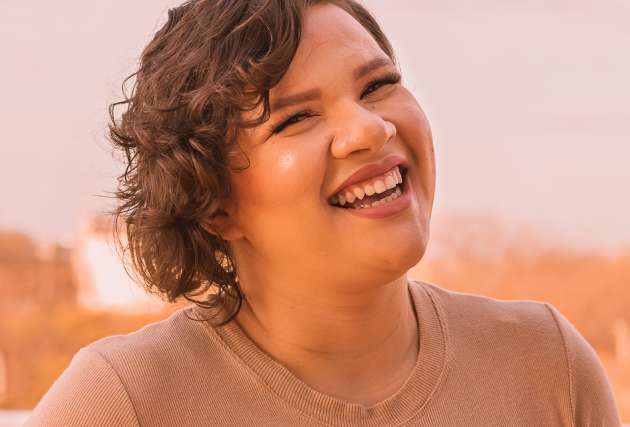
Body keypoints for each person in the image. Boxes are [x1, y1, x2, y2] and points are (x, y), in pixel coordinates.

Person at [27, 0, 622, 425]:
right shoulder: (125, 401)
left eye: (377, 86)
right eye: (296, 117)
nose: (370, 129)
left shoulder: (547, 364)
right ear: (213, 204)